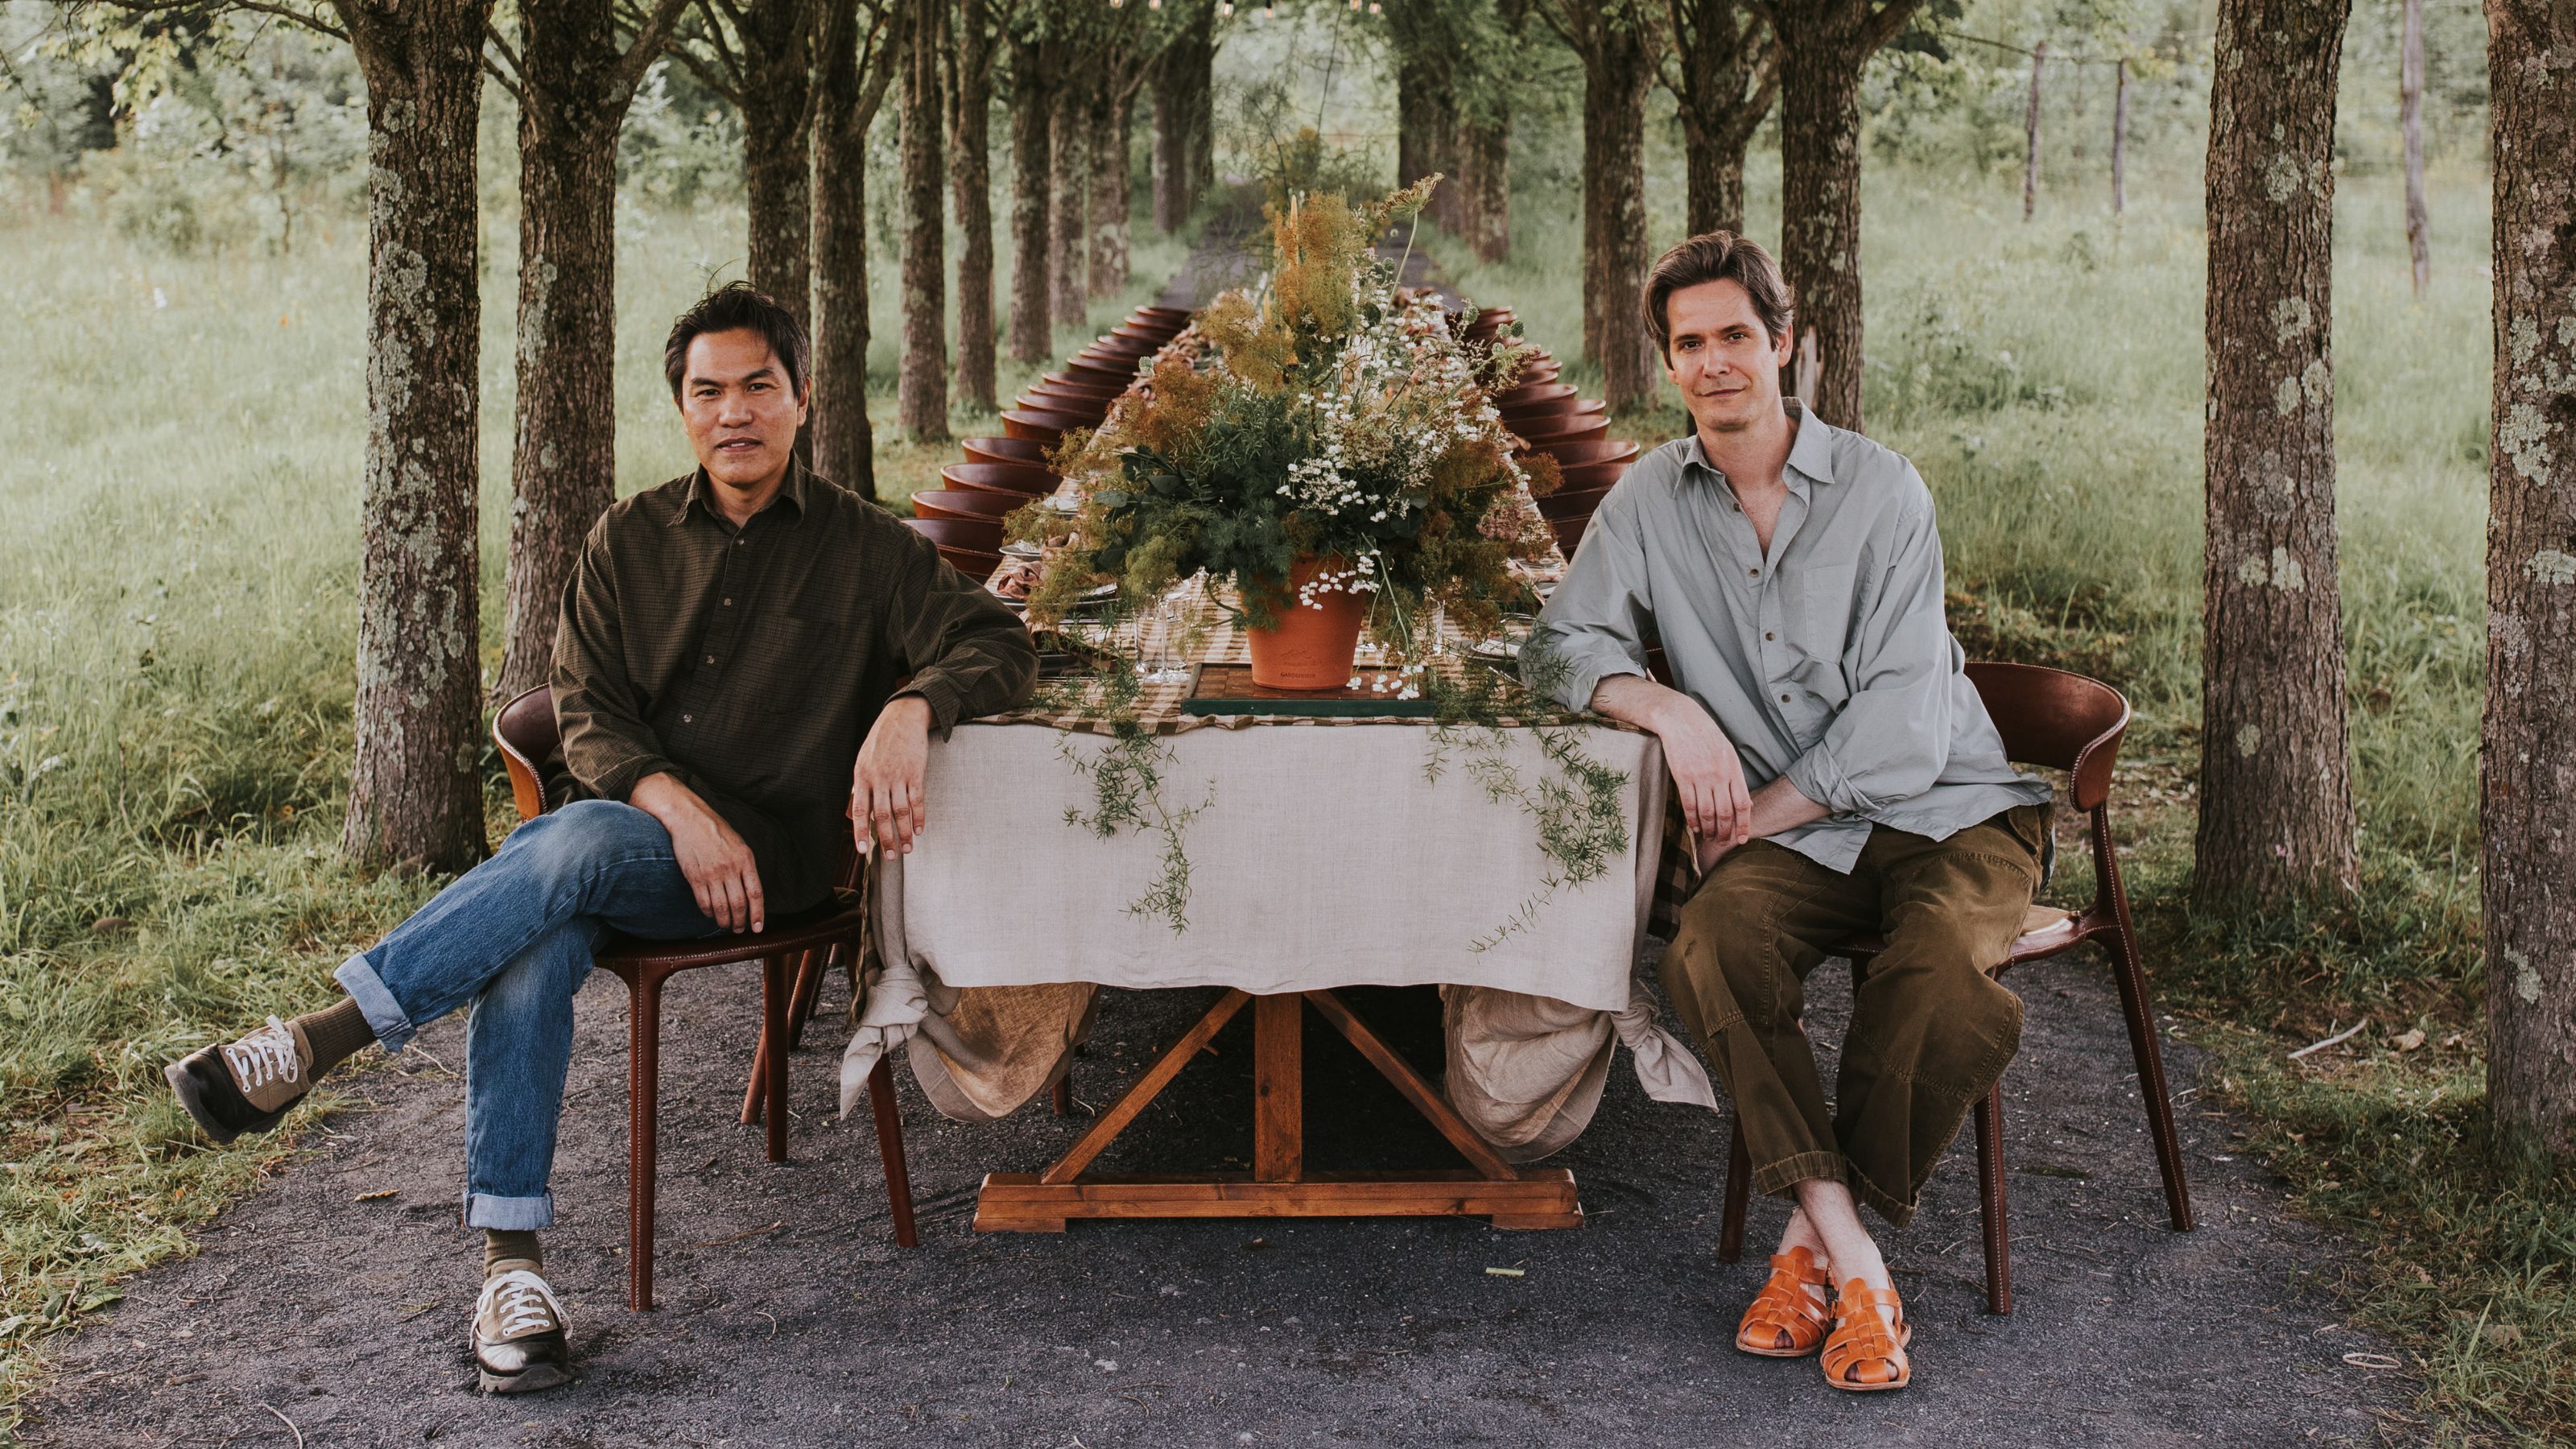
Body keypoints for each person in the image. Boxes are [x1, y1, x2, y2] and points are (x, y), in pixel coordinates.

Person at [163, 283, 1036, 1393]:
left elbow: (995, 641)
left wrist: (914, 709)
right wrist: (674, 807)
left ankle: (320, 1040)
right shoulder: (626, 541)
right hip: (638, 842)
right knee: (541, 932)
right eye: (708, 391)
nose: (735, 413)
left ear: (803, 399)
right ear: (681, 408)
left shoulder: (867, 550)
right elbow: (583, 711)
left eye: (758, 388)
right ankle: (512, 1271)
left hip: (768, 869)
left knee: (571, 843)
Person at [1525, 233, 2051, 1392]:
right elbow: (1561, 646)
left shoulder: (1884, 489)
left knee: (1941, 968)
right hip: (1798, 836)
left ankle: (1806, 1251)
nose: (1715, 365)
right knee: (1712, 947)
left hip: (1948, 809)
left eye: (1736, 338)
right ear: (1668, 364)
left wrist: (1757, 811)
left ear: (1786, 342)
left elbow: (1909, 722)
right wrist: (1664, 705)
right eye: (1690, 345)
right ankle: (1851, 1251)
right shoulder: (1649, 500)